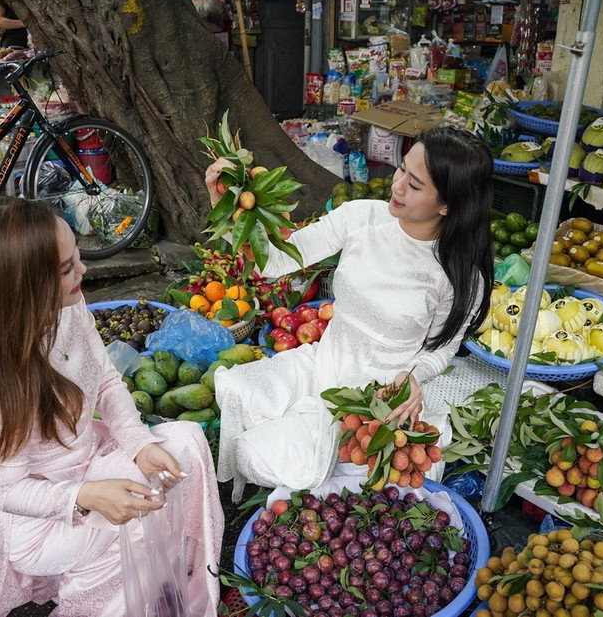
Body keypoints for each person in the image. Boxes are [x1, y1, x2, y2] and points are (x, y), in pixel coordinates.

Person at [0, 197, 223, 617]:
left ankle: (166, 583)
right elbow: (8, 492)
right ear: (22, 287)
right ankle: (101, 595)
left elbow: (107, 379)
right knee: (137, 518)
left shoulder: (69, 308)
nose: (83, 270)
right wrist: (88, 496)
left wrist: (137, 443)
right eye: (66, 269)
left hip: (90, 463)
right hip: (43, 523)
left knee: (184, 444)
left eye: (77, 256)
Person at [206, 125, 494, 501]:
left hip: (377, 397)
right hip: (325, 362)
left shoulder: (460, 275)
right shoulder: (360, 217)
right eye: (401, 169)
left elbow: (443, 346)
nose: (397, 186)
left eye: (415, 184)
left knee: (311, 470)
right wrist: (227, 208)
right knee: (239, 393)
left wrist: (414, 377)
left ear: (447, 205)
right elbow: (274, 261)